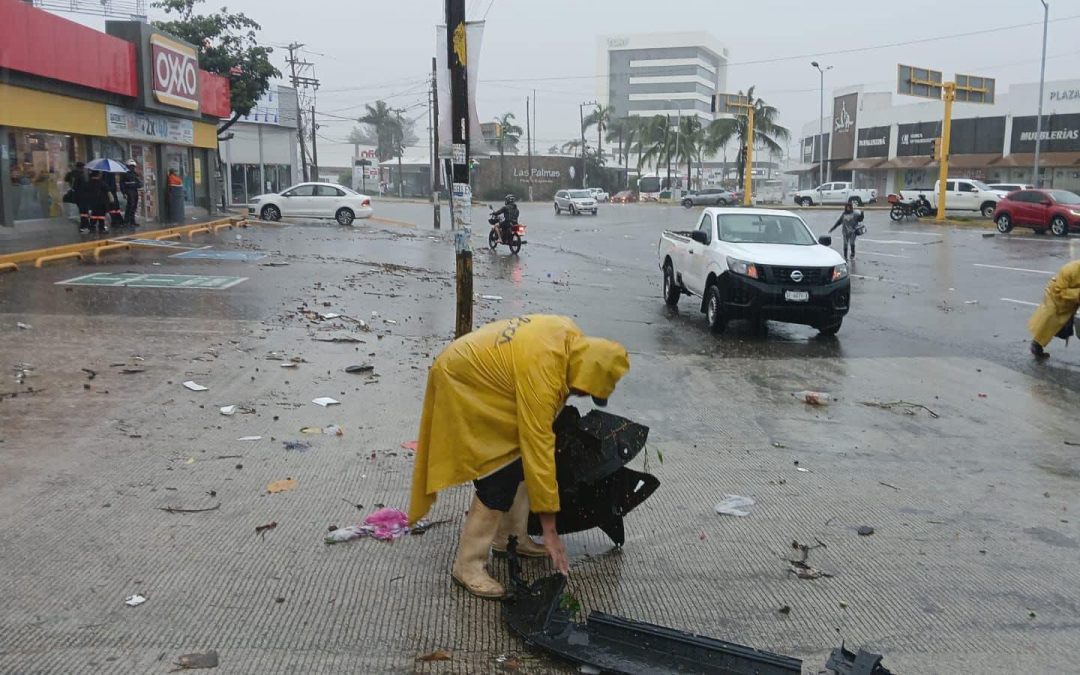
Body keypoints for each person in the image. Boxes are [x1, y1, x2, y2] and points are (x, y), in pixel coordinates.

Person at [408, 315, 630, 598]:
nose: (579, 395)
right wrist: (550, 530)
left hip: (486, 367)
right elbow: (539, 451)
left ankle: (510, 537)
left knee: (519, 461)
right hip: (462, 378)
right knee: (499, 469)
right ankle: (467, 565)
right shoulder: (542, 374)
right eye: (583, 390)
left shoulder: (570, 336)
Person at [1028, 259, 1080, 359]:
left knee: (1063, 327)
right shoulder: (1069, 269)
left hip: (1071, 302)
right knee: (1048, 324)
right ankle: (1036, 346)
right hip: (1055, 299)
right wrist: (1078, 293)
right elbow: (1059, 290)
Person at [64, 162, 90, 231]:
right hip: (83, 195)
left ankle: (85, 224)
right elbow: (84, 186)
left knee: (82, 210)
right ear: (82, 167)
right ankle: (84, 225)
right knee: (84, 211)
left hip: (75, 195)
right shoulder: (81, 175)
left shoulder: (72, 173)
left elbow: (66, 179)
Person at [120, 160, 143, 226]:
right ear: (128, 166)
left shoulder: (135, 174)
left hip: (134, 191)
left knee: (134, 206)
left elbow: (139, 183)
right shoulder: (124, 174)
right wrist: (124, 193)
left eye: (133, 166)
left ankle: (132, 221)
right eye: (131, 166)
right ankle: (126, 221)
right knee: (130, 206)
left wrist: (136, 184)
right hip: (129, 191)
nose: (132, 168)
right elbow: (122, 184)